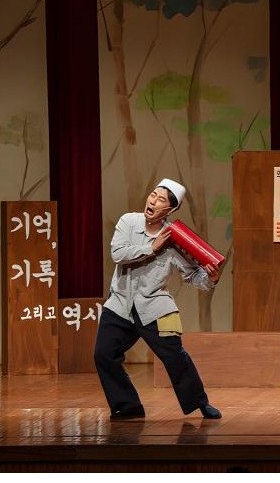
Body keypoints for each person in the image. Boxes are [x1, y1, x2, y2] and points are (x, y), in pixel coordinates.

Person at [94, 178, 223, 420]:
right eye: (153, 195)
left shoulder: (175, 238)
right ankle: (127, 406)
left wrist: (211, 278)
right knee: (104, 354)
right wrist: (151, 248)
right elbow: (118, 253)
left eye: (161, 199)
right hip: (120, 304)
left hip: (155, 307)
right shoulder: (128, 221)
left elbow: (192, 275)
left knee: (174, 356)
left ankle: (200, 403)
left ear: (171, 209)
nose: (153, 201)